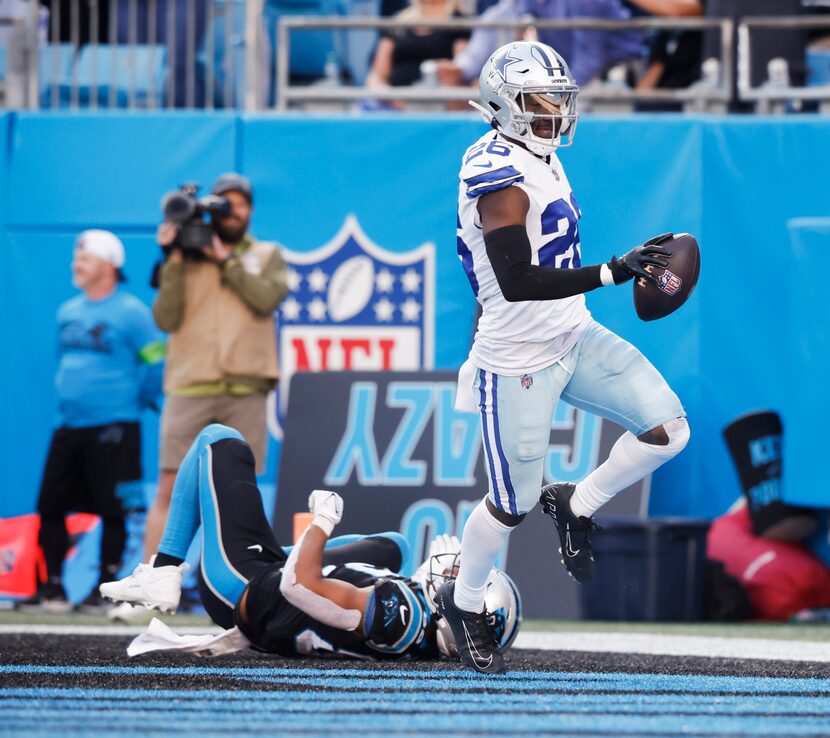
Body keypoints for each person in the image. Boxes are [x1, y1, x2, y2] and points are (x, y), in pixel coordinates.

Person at [436, 40, 690, 673]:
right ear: (503, 105)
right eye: (538, 101)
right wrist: (611, 270)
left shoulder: (539, 151)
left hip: (572, 333)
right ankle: (464, 602)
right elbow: (518, 280)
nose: (553, 111)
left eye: (558, 99)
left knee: (669, 431)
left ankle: (578, 503)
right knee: (510, 504)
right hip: (516, 356)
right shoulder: (492, 168)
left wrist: (610, 274)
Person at [100, 424, 522, 661]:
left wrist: (323, 521)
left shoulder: (398, 611)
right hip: (276, 596)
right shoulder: (419, 626)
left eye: (464, 581)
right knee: (392, 547)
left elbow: (296, 586)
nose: (457, 573)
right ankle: (172, 569)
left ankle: (163, 570)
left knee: (220, 443)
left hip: (246, 589)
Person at [144, 172, 288, 567]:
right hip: (191, 383)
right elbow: (165, 318)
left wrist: (225, 259)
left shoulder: (265, 254)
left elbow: (266, 298)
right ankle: (151, 585)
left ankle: (237, 585)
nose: (231, 210)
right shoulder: (185, 257)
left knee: (238, 492)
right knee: (170, 486)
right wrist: (172, 255)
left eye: (239, 203)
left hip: (246, 387)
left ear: (250, 210)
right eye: (223, 202)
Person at [24, 230, 164, 612]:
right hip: (68, 425)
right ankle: (52, 589)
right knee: (50, 505)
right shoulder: (67, 312)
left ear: (108, 265)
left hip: (115, 427)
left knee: (113, 509)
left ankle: (105, 590)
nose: (75, 264)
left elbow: (155, 360)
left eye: (83, 258)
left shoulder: (132, 312)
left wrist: (140, 397)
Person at [437, 0, 643, 91]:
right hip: (567, 73)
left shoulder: (586, 1)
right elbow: (500, 21)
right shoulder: (525, 2)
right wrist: (464, 68)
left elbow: (590, 61)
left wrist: (553, 91)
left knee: (549, 109)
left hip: (620, 73)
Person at [366, 0, 471, 104]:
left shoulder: (459, 23)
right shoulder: (398, 22)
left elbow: (459, 70)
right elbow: (377, 75)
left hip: (438, 103)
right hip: (392, 104)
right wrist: (390, 97)